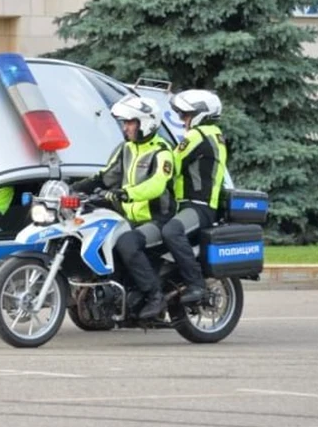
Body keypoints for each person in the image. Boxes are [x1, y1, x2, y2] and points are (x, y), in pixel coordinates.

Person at [70, 94, 175, 320]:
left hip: (157, 219)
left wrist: (127, 193)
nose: (125, 128)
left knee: (127, 242)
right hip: (129, 219)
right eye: (125, 123)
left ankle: (155, 296)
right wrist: (73, 189)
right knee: (102, 238)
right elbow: (105, 177)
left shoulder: (162, 152)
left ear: (145, 123)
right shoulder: (126, 149)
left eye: (130, 123)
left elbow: (156, 185)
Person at [161, 89, 227, 304]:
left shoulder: (198, 135)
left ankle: (196, 284)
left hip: (198, 206)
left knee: (172, 231)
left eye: (185, 115)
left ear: (200, 113)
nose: (182, 120)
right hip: (197, 205)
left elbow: (172, 163)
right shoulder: (214, 134)